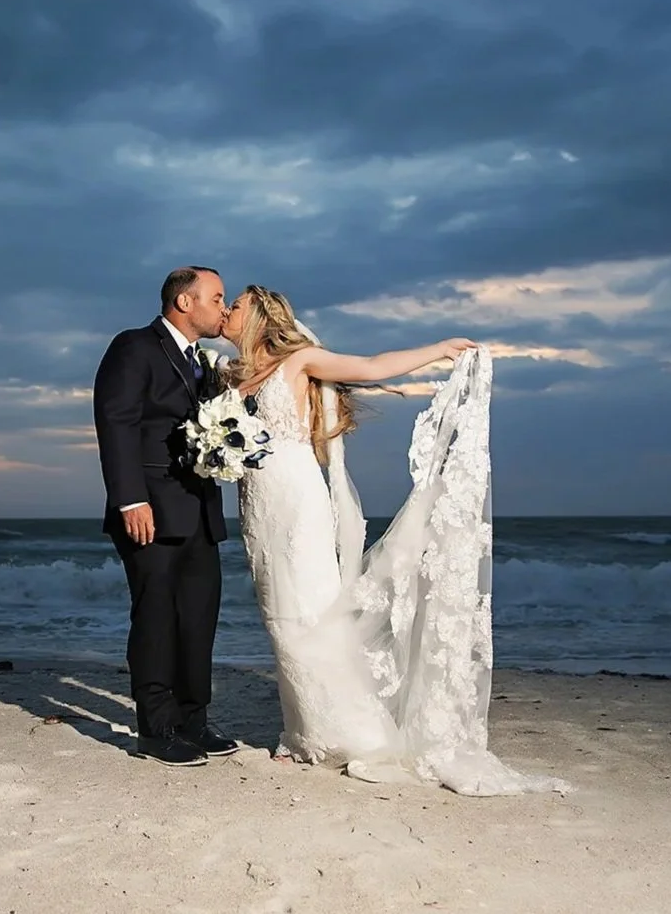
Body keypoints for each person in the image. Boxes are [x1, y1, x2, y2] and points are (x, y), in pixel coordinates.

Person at [222, 284, 569, 795]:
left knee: (308, 614)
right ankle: (305, 733)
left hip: (297, 503)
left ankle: (353, 735)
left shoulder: (298, 360)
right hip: (259, 506)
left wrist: (436, 350)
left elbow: (369, 366)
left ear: (257, 318)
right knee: (279, 615)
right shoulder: (235, 376)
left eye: (236, 306)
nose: (227, 311)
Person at [92, 266, 237, 766]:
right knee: (155, 619)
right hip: (149, 510)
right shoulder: (134, 346)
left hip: (200, 510)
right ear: (183, 302)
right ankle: (156, 730)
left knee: (198, 620)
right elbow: (117, 422)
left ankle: (194, 721)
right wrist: (130, 499)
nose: (225, 307)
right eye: (217, 298)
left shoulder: (206, 362)